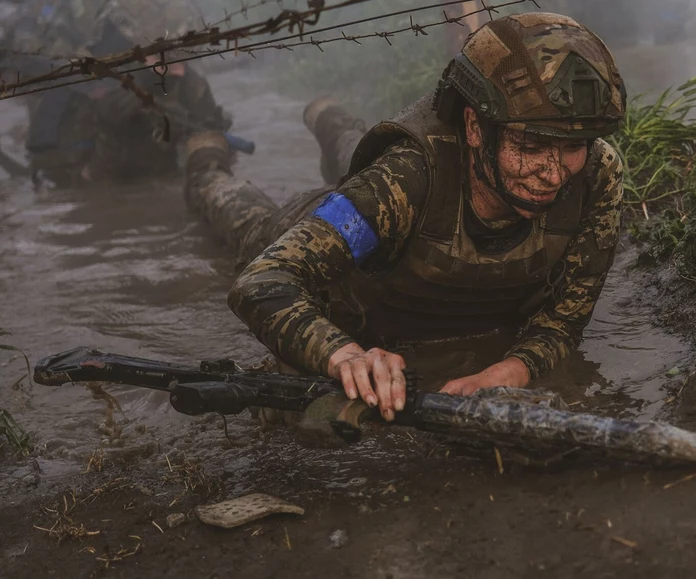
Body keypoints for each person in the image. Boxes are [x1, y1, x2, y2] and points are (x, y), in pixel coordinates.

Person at [184, 12, 626, 423]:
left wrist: (511, 370)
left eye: (572, 147)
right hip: (314, 221)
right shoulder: (403, 179)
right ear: (475, 128)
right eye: (530, 146)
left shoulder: (593, 174)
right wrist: (345, 356)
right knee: (233, 208)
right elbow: (262, 281)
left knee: (356, 153)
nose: (552, 175)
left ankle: (325, 114)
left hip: (386, 202)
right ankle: (205, 158)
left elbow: (564, 319)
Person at [0, 0, 230, 186]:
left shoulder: (188, 82)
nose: (180, 71)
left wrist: (204, 157)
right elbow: (64, 187)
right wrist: (110, 134)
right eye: (168, 58)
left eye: (184, 57)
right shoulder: (81, 92)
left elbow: (213, 139)